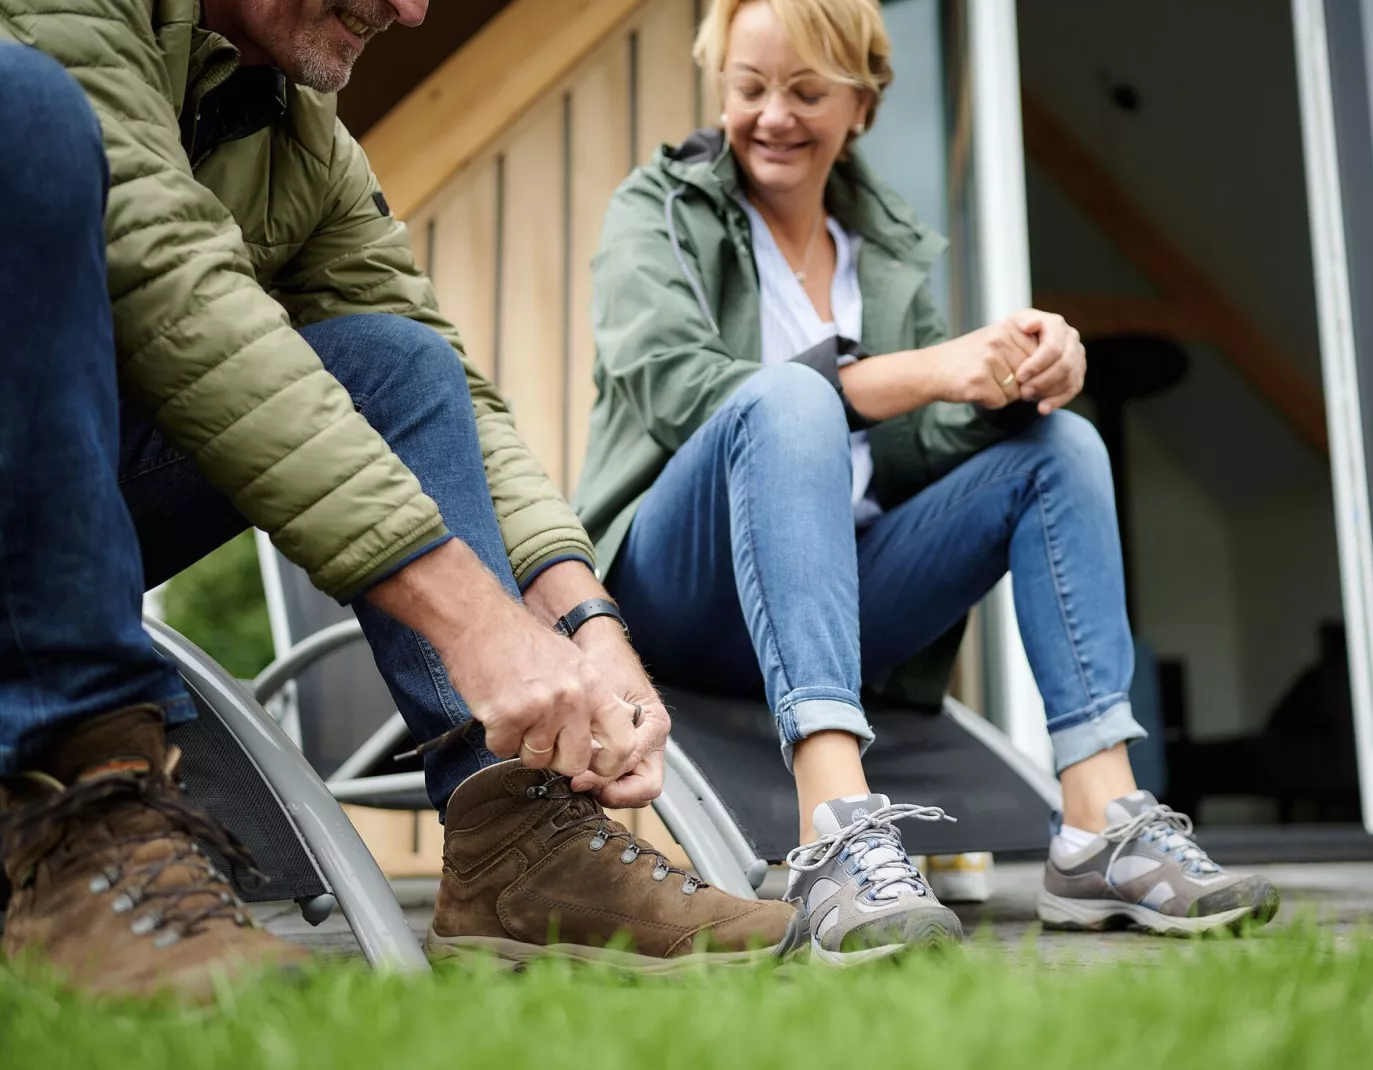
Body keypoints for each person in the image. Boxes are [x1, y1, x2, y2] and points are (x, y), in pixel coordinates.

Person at [0, 0, 797, 1000]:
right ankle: (80, 810)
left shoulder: (296, 134)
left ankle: (518, 844)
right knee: (20, 110)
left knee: (398, 362)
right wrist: (472, 621)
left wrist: (583, 620)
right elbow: (176, 288)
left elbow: (445, 386)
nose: (414, 10)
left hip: (88, 488)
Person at [574, 0, 1280, 962]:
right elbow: (678, 390)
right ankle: (835, 833)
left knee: (1058, 448)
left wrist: (1015, 387)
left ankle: (1099, 824)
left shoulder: (888, 247)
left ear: (861, 106)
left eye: (806, 91)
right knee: (788, 402)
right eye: (748, 87)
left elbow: (924, 443)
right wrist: (933, 367)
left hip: (840, 599)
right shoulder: (659, 210)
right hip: (678, 595)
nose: (772, 115)